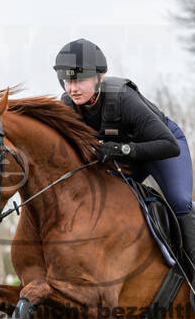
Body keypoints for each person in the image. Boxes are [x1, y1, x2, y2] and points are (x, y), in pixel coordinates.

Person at [53, 37, 195, 272]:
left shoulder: (123, 97)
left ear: (99, 77)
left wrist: (122, 149)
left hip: (161, 148)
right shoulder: (68, 105)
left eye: (79, 80)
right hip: (125, 157)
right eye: (66, 80)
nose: (72, 88)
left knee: (179, 202)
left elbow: (169, 145)